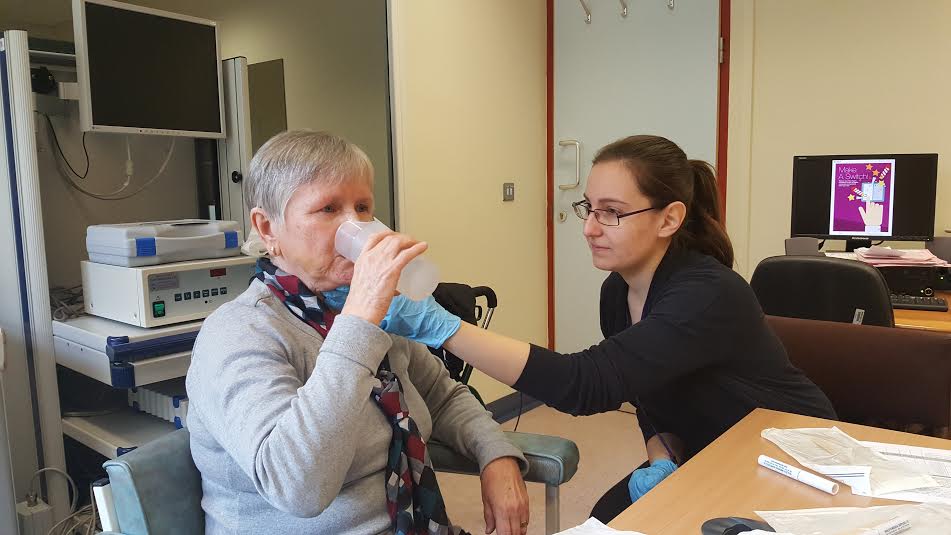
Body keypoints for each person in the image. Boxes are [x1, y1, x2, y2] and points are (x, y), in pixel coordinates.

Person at [353, 134, 837, 522]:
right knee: (607, 518)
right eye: (590, 208)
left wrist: (443, 326)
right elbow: (647, 391)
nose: (589, 227)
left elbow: (584, 384)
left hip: (791, 457)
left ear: (669, 218)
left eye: (613, 212)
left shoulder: (708, 292)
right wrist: (661, 454)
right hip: (706, 451)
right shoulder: (618, 291)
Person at [186, 130, 530, 535]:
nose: (357, 226)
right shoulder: (240, 332)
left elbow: (444, 395)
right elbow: (299, 490)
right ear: (267, 228)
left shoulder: (366, 312)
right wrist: (360, 321)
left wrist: (496, 455)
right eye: (329, 208)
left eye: (363, 207)